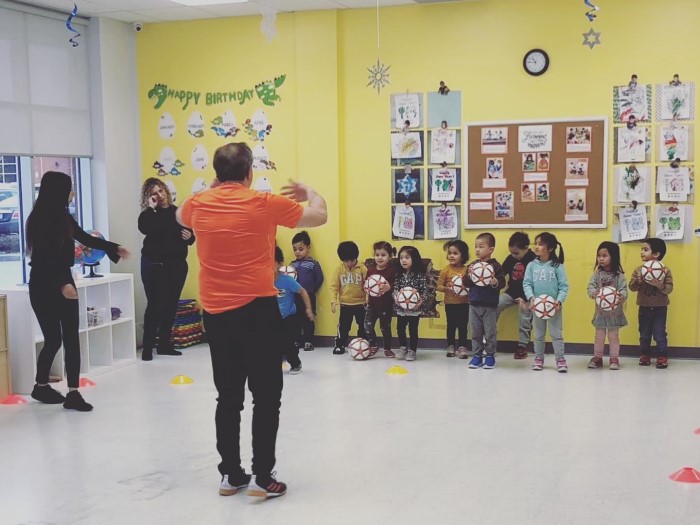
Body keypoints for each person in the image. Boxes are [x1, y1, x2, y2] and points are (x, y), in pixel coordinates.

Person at [176, 142, 327, 499]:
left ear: (216, 173)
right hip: (258, 312)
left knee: (227, 398)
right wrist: (312, 192)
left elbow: (179, 215)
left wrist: (214, 189)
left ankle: (230, 475)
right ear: (249, 173)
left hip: (215, 314)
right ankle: (263, 476)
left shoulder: (198, 204)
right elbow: (318, 216)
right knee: (266, 396)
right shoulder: (263, 203)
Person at [26, 171, 129, 411]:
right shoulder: (41, 219)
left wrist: (114, 248)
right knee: (58, 338)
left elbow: (84, 238)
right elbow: (45, 258)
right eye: (70, 189)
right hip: (46, 284)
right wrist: (63, 284)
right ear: (60, 192)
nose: (73, 194)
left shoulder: (63, 216)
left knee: (66, 338)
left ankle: (62, 390)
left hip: (58, 281)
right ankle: (47, 388)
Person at [138, 178, 195, 361]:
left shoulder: (178, 212)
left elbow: (191, 236)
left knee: (171, 305)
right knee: (155, 305)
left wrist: (189, 237)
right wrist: (152, 209)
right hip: (155, 265)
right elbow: (147, 228)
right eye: (154, 194)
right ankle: (148, 347)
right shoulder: (148, 215)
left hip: (177, 266)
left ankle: (164, 344)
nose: (160, 196)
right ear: (149, 197)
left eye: (161, 191)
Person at [523, 232, 569, 373]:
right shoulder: (531, 266)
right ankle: (538, 358)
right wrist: (531, 298)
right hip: (537, 308)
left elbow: (564, 287)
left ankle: (560, 359)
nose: (536, 247)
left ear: (550, 248)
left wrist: (559, 302)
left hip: (554, 308)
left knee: (556, 334)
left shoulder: (557, 266)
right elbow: (527, 283)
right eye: (535, 243)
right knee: (538, 334)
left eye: (540, 244)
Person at [628, 238, 673, 369]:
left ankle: (662, 356)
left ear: (656, 254)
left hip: (660, 308)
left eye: (645, 249)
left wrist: (660, 285)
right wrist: (638, 282)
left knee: (660, 333)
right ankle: (644, 354)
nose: (642, 252)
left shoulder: (665, 270)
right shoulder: (638, 270)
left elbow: (670, 288)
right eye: (641, 249)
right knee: (644, 333)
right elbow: (631, 287)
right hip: (644, 307)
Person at [465, 233, 505, 369]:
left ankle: (490, 356)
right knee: (475, 332)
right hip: (474, 304)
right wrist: (468, 274)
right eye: (475, 246)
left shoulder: (496, 266)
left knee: (490, 333)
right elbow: (466, 282)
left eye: (481, 247)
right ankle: (477, 356)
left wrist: (495, 281)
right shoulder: (473, 265)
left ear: (491, 249)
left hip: (490, 306)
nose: (477, 249)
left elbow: (502, 282)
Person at [586, 241, 628, 370]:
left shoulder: (619, 276)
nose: (601, 258)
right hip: (600, 313)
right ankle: (597, 357)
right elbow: (590, 287)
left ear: (613, 257)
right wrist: (594, 292)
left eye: (605, 256)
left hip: (614, 314)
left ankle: (614, 358)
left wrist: (621, 296)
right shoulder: (597, 275)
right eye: (599, 256)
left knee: (613, 337)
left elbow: (624, 290)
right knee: (599, 336)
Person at [274, 246, 314, 375]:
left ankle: (295, 363)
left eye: (270, 263)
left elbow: (302, 291)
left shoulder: (286, 280)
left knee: (288, 343)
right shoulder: (263, 281)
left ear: (279, 264)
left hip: (289, 318)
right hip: (272, 318)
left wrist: (308, 308)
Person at [498, 232, 536, 359]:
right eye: (512, 253)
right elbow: (501, 274)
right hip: (512, 292)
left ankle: (522, 346)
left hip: (527, 295)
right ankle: (489, 339)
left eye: (516, 253)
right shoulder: (510, 259)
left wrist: (528, 298)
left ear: (526, 248)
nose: (514, 256)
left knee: (524, 316)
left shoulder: (534, 259)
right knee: (496, 304)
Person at [330, 241, 367, 355]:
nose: (349, 263)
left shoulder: (363, 269)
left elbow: (368, 285)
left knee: (363, 326)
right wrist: (333, 301)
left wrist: (368, 299)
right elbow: (334, 286)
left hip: (361, 303)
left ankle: (364, 344)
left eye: (352, 260)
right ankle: (340, 344)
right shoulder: (339, 269)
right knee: (344, 326)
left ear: (356, 257)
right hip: (345, 304)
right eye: (346, 261)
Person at [289, 231, 323, 351]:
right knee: (296, 319)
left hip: (309, 295)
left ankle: (309, 340)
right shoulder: (291, 265)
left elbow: (319, 278)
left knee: (309, 318)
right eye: (295, 249)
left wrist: (312, 289)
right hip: (295, 296)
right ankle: (297, 340)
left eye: (300, 249)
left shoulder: (313, 264)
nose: (297, 252)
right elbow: (288, 280)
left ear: (308, 248)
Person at [363, 241, 398, 358]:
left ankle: (387, 348)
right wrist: (367, 297)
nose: (380, 258)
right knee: (367, 326)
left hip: (385, 305)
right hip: (372, 305)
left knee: (385, 328)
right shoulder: (371, 270)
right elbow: (367, 286)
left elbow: (396, 285)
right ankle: (373, 345)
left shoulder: (392, 270)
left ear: (390, 256)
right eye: (377, 255)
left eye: (383, 255)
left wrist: (389, 287)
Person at [436, 240, 470, 359]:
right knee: (451, 325)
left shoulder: (467, 270)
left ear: (463, 255)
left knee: (462, 326)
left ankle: (462, 347)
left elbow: (471, 285)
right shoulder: (446, 270)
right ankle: (450, 346)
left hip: (464, 303)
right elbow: (438, 286)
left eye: (455, 253)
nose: (451, 256)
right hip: (450, 303)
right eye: (449, 253)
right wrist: (446, 289)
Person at [393, 246, 427, 361]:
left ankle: (412, 350)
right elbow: (395, 289)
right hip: (401, 309)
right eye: (401, 257)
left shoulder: (419, 275)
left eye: (407, 257)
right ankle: (403, 347)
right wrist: (396, 297)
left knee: (413, 330)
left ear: (414, 259)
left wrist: (421, 300)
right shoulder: (398, 274)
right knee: (400, 328)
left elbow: (424, 291)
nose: (403, 260)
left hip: (414, 310)